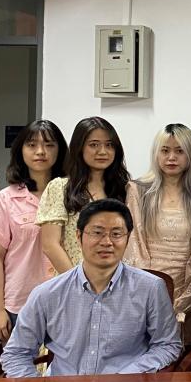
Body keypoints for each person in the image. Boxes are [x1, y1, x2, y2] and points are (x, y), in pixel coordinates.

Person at [1, 199, 181, 377]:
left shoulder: (150, 288)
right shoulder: (47, 294)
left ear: (127, 239)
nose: (107, 242)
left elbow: (167, 344)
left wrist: (128, 376)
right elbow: (16, 353)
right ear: (78, 236)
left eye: (116, 234)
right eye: (97, 232)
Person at [0, 119, 68, 344]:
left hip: (66, 300)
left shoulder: (73, 195)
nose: (40, 151)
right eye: (32, 145)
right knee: (20, 364)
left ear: (60, 150)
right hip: (20, 303)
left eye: (49, 145)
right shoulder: (5, 199)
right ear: (20, 151)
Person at [125, 124, 191, 345]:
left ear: (190, 155)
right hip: (145, 290)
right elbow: (134, 243)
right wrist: (151, 295)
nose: (171, 157)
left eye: (179, 151)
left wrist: (182, 301)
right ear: (156, 153)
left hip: (187, 292)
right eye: (165, 150)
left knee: (182, 359)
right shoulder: (138, 190)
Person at [37, 116, 131, 274]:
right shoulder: (60, 187)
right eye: (94, 145)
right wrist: (79, 282)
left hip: (116, 281)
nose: (103, 151)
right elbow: (50, 245)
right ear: (79, 148)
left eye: (109, 145)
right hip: (72, 279)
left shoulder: (125, 188)